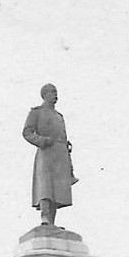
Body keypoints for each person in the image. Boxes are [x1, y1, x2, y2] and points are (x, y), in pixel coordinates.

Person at [22, 83, 77, 226]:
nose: (55, 95)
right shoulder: (36, 112)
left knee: (57, 190)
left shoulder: (59, 116)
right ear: (44, 94)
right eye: (52, 92)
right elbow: (27, 132)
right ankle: (45, 218)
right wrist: (42, 141)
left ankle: (51, 222)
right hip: (46, 153)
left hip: (60, 155)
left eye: (56, 92)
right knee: (46, 187)